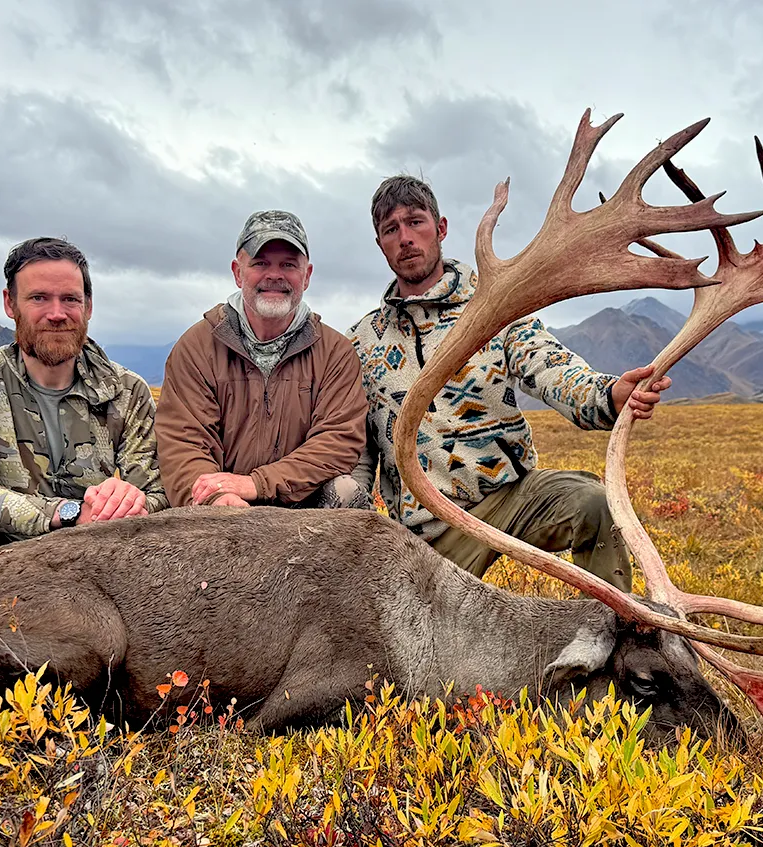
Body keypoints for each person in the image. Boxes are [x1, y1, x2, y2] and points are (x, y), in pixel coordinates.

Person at [349, 176, 672, 591]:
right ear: (380, 243)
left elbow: (549, 364)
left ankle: (615, 634)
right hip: (425, 534)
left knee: (591, 502)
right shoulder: (362, 341)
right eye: (391, 230)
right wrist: (352, 527)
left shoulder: (496, 303)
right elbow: (359, 452)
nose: (405, 238)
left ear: (442, 228)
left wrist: (606, 394)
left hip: (507, 498)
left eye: (416, 222)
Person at [0, 237, 167, 593]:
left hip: (99, 552)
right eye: (38, 298)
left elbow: (158, 493)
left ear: (88, 306)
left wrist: (128, 500)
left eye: (70, 299)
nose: (57, 314)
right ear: (10, 303)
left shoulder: (128, 390)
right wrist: (67, 514)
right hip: (7, 551)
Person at [156, 210, 370, 510]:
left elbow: (336, 443)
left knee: (346, 491)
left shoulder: (336, 353)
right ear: (237, 271)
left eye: (288, 265)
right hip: (221, 510)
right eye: (260, 263)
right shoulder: (196, 348)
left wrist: (256, 484)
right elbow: (185, 442)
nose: (274, 275)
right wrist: (220, 499)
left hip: (302, 514)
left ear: (306, 276)